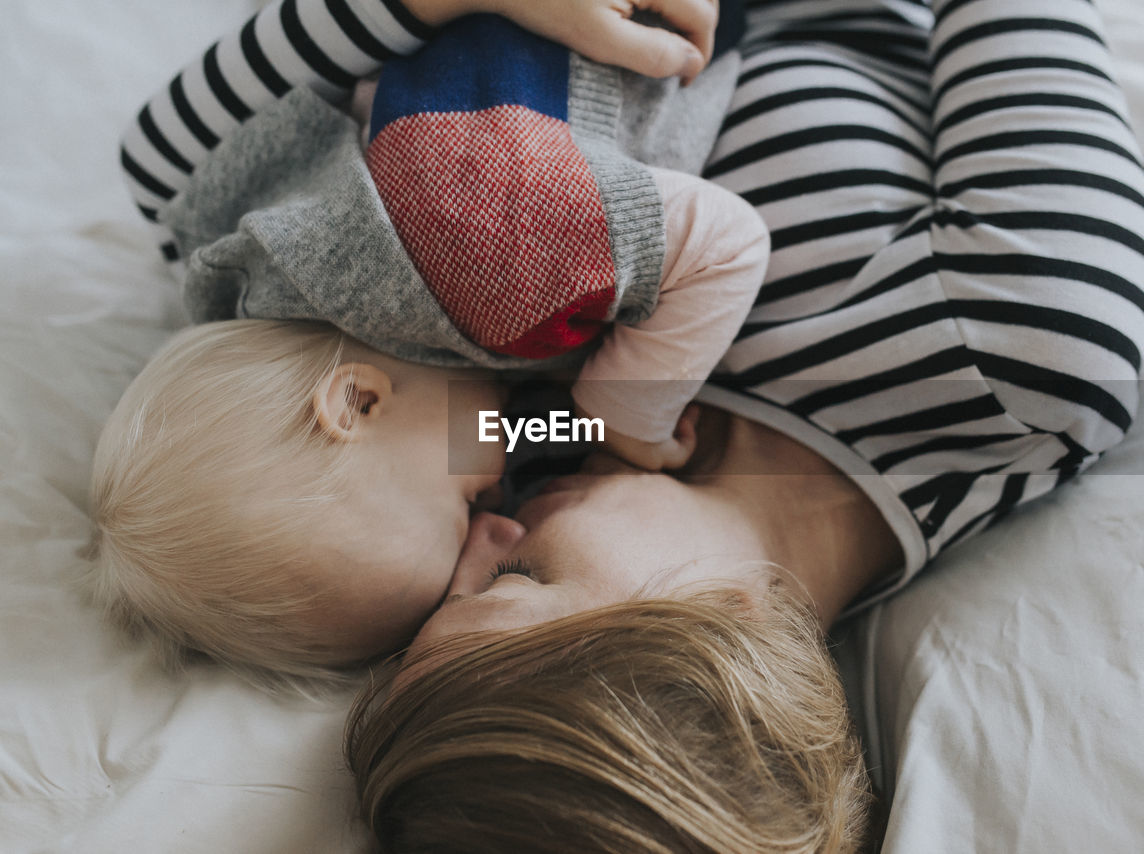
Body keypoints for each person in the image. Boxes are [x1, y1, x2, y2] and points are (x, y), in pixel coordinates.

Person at [344, 0, 1144, 849]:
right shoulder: (1025, 355)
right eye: (514, 576)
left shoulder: (567, 449)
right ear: (722, 619)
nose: (473, 533)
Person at [89, 0, 763, 686]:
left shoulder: (488, 277)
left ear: (356, 401)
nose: (499, 510)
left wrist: (627, 417)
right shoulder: (247, 254)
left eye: (467, 504)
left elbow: (728, 244)